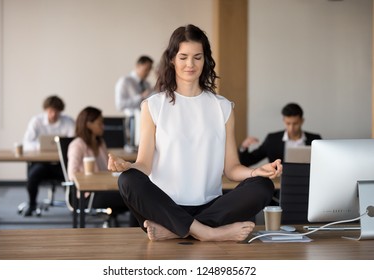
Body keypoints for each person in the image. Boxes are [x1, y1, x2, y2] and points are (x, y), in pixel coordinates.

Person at [108, 24, 282, 242]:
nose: (190, 64)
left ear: (205, 60)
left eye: (197, 57)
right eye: (183, 57)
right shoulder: (152, 105)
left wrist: (256, 172)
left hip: (209, 207)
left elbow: (231, 169)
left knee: (263, 186)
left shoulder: (223, 107)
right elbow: (144, 165)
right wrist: (128, 166)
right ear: (172, 59)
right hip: (165, 207)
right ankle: (208, 233)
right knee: (128, 180)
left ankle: (178, 231)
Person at [67, 106, 128, 225]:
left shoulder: (100, 143)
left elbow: (107, 169)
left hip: (104, 189)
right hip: (89, 195)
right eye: (100, 123)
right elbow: (72, 174)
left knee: (133, 194)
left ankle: (134, 231)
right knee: (132, 198)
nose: (103, 126)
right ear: (89, 124)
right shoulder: (77, 145)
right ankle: (134, 232)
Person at [22, 95, 75, 216]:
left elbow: (74, 143)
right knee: (33, 176)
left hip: (62, 165)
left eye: (56, 111)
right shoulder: (36, 121)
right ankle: (32, 204)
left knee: (73, 176)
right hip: (42, 164)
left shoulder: (68, 122)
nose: (53, 114)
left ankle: (74, 206)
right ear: (45, 110)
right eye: (51, 111)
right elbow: (26, 143)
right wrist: (40, 147)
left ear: (61, 111)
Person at [238, 103, 322, 166]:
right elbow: (248, 162)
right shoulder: (272, 140)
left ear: (302, 121)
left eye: (295, 124)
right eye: (288, 123)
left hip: (309, 182)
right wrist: (243, 147)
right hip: (279, 183)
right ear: (283, 121)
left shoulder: (315, 140)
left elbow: (323, 163)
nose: (291, 128)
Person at [114, 55, 154, 149]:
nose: (148, 72)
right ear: (138, 66)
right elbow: (119, 105)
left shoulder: (147, 84)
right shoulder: (125, 81)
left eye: (150, 69)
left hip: (146, 121)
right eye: (146, 69)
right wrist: (140, 97)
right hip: (131, 122)